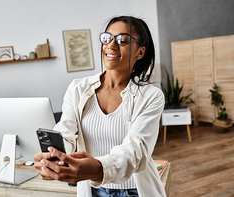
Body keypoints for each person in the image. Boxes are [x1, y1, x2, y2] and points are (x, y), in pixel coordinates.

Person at [34, 16, 166, 197]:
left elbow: (135, 151)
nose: (111, 45)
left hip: (136, 190)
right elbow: (65, 132)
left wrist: (98, 168)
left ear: (140, 52)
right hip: (92, 190)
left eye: (123, 40)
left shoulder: (151, 97)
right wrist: (54, 156)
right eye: (107, 38)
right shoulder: (78, 89)